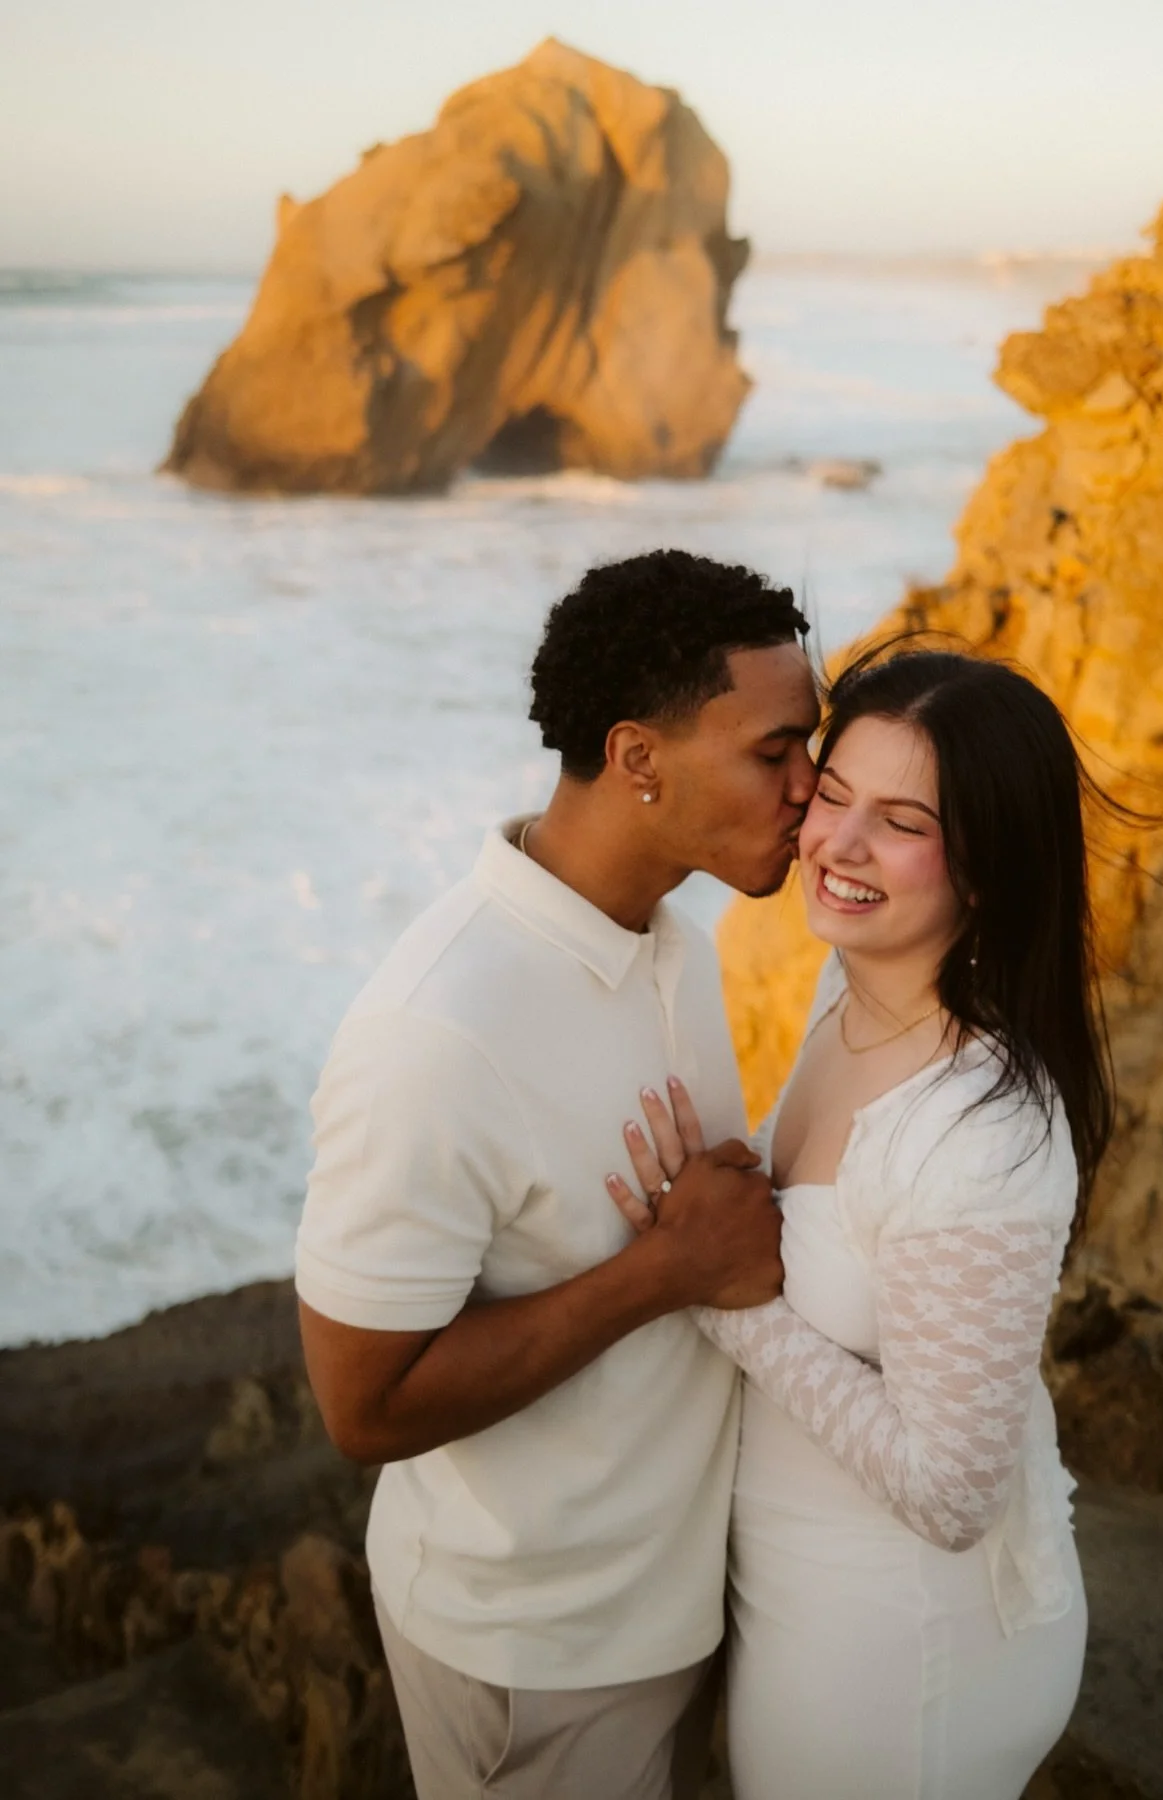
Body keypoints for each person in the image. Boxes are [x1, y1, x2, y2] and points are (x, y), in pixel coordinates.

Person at [294, 548, 820, 1800]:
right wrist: (666, 1271)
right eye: (775, 753)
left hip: (679, 1600)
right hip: (535, 1653)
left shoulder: (678, 948)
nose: (814, 787)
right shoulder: (437, 1031)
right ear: (639, 757)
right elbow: (361, 1408)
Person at [608, 645, 1106, 1800]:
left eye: (901, 821)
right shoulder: (849, 992)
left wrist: (718, 1295)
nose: (837, 843)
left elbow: (950, 1489)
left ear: (986, 868)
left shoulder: (980, 1135)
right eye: (833, 793)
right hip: (801, 1596)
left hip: (903, 1662)